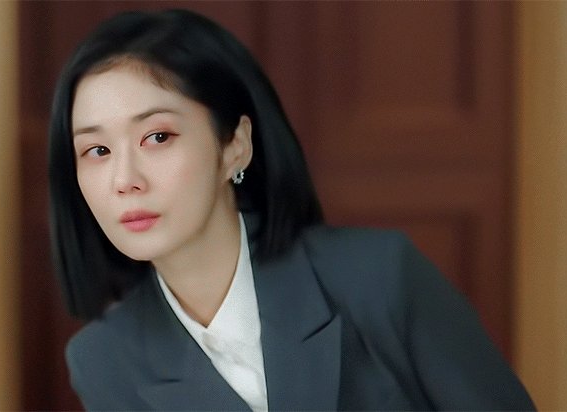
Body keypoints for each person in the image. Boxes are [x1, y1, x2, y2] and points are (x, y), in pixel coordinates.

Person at [48, 9, 535, 411]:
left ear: (235, 146)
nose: (124, 180)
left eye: (157, 137)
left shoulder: (377, 277)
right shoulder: (103, 361)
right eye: (97, 150)